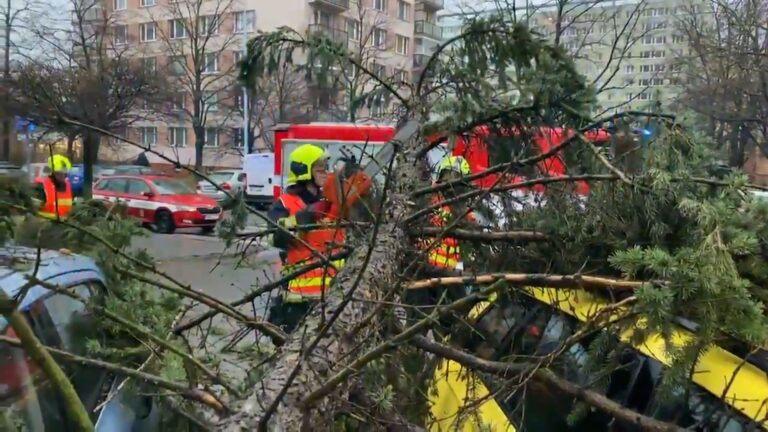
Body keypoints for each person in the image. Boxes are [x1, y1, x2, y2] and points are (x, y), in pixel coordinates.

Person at [266, 144, 346, 332]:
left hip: (335, 295)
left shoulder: (331, 203)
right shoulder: (284, 204)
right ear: (304, 171)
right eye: (320, 168)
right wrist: (300, 220)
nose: (325, 173)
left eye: (326, 168)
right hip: (300, 301)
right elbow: (274, 238)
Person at [407, 155, 480, 326]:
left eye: (456, 178)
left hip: (449, 275)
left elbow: (471, 245)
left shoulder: (464, 210)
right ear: (440, 176)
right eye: (448, 176)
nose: (451, 183)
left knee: (459, 318)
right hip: (423, 269)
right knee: (418, 321)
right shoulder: (428, 198)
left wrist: (463, 268)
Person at [33, 154, 74, 220]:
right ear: (52, 172)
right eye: (59, 172)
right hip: (44, 224)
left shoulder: (68, 186)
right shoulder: (41, 186)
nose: (63, 175)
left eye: (65, 172)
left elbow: (72, 207)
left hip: (64, 224)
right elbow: (33, 209)